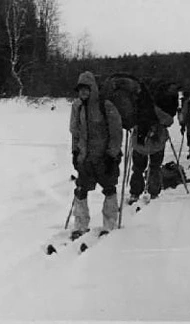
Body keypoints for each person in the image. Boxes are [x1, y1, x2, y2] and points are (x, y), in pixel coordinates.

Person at [70, 71, 123, 239]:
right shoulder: (77, 107)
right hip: (85, 158)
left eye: (86, 89)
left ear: (92, 88)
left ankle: (109, 224)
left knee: (108, 189)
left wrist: (111, 155)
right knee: (80, 190)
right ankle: (80, 225)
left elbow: (116, 133)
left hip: (104, 158)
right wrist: (75, 152)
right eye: (80, 90)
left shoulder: (105, 106)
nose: (83, 92)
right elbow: (75, 133)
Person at [128, 82, 175, 203]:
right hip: (156, 144)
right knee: (154, 168)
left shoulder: (136, 107)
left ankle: (135, 193)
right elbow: (169, 121)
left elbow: (129, 122)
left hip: (140, 144)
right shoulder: (157, 108)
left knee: (138, 169)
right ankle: (153, 193)